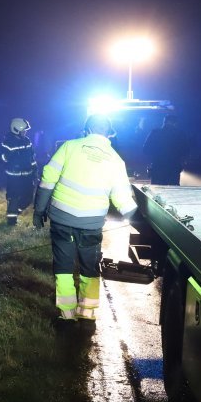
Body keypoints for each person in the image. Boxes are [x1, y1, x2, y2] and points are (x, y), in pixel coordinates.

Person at [32, 114, 137, 331]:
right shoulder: (116, 160)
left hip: (62, 220)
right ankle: (88, 318)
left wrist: (39, 210)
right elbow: (123, 199)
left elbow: (47, 178)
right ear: (109, 133)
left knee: (63, 267)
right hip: (91, 224)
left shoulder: (69, 147)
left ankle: (67, 317)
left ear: (86, 130)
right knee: (90, 268)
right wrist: (140, 221)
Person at [0, 118, 37, 225]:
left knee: (28, 197)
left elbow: (32, 158)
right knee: (14, 197)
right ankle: (11, 221)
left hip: (27, 175)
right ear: (16, 130)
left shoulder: (27, 141)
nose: (26, 132)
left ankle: (16, 211)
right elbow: (0, 156)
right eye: (24, 130)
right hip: (14, 177)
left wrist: (35, 171)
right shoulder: (8, 142)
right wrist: (9, 158)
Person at [142, 114, 190, 185]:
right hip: (174, 168)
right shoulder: (180, 134)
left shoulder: (155, 132)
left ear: (164, 121)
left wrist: (155, 156)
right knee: (172, 191)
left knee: (156, 190)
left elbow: (145, 149)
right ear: (175, 123)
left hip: (158, 166)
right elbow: (186, 151)